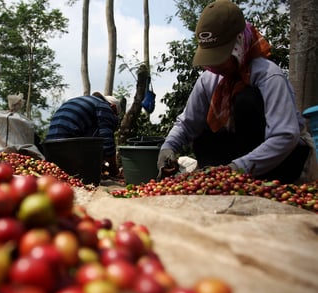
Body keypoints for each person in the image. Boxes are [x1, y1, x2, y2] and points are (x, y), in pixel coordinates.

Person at [157, 0, 317, 184]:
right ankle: (219, 180)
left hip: (282, 162)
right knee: (203, 130)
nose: (215, 65)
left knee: (246, 100)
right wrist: (168, 148)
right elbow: (187, 124)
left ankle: (248, 179)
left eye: (221, 57)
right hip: (237, 162)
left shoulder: (268, 75)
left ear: (239, 46)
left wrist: (237, 168)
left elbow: (285, 136)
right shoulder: (208, 80)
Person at [45, 92, 123, 177]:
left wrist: (100, 166)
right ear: (113, 107)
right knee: (103, 133)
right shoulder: (104, 106)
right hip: (68, 146)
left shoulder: (80, 101)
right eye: (114, 114)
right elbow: (107, 141)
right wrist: (114, 170)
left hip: (50, 149)